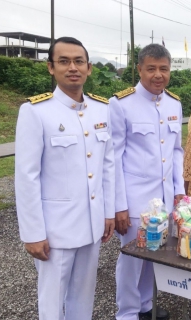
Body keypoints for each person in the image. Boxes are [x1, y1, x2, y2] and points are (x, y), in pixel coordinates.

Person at [15, 37, 115, 319]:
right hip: (56, 229)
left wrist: (108, 212)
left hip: (92, 224)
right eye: (64, 61)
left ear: (89, 68)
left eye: (78, 61)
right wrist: (33, 233)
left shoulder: (101, 109)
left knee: (84, 296)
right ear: (51, 68)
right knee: (52, 300)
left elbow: (107, 165)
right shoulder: (36, 112)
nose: (73, 67)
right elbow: (27, 177)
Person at [110, 44, 184, 320]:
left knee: (156, 251)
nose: (158, 75)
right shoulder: (121, 104)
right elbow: (114, 159)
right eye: (151, 68)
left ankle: (145, 304)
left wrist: (179, 191)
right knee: (131, 259)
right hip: (134, 198)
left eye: (163, 69)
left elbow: (176, 151)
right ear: (139, 69)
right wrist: (118, 205)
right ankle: (127, 312)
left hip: (164, 197)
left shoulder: (174, 103)